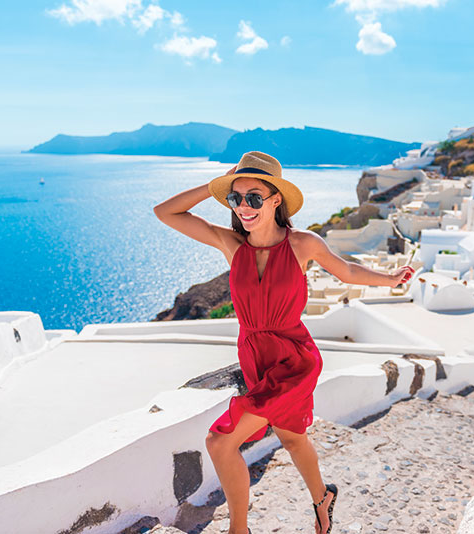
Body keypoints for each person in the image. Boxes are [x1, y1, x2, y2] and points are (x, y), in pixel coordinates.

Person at [153, 151, 415, 534]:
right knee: (292, 438)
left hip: (294, 360)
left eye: (254, 197)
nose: (244, 207)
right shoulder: (231, 244)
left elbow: (346, 271)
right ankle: (322, 498)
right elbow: (166, 212)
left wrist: (390, 280)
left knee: (220, 441)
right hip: (256, 358)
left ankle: (238, 530)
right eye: (236, 198)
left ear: (276, 200)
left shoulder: (302, 244)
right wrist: (214, 187)